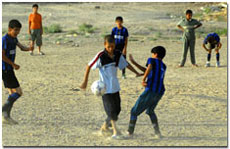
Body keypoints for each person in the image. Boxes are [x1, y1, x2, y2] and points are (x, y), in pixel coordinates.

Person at [80, 35, 141, 138]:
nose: (111, 49)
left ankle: (104, 127)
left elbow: (125, 64)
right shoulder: (101, 56)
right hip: (105, 89)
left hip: (115, 87)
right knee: (111, 110)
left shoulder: (117, 54)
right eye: (109, 46)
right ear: (105, 45)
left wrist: (136, 72)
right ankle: (116, 132)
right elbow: (89, 65)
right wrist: (85, 81)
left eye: (112, 46)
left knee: (117, 109)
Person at [127, 46, 167, 139]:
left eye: (152, 54)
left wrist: (143, 79)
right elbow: (148, 70)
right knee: (150, 111)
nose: (152, 56)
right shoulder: (163, 65)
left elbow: (149, 67)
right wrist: (134, 63)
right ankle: (157, 133)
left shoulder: (152, 60)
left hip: (151, 90)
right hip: (160, 91)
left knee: (134, 112)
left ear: (155, 54)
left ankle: (130, 133)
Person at [2, 19, 33, 124]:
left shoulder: (14, 39)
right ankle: (3, 111)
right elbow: (2, 55)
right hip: (5, 69)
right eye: (15, 30)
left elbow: (21, 47)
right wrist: (13, 64)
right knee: (18, 92)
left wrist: (29, 48)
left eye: (19, 30)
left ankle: (6, 117)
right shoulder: (4, 39)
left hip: (9, 69)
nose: (17, 32)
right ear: (9, 29)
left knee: (12, 93)